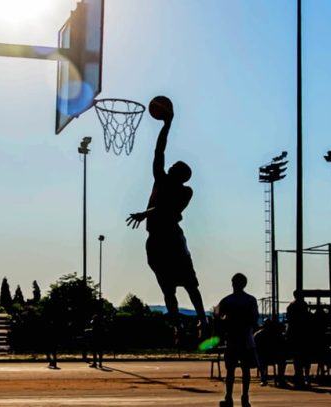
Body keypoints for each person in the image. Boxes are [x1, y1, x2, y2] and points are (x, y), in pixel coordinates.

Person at [126, 99, 208, 339]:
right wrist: (167, 125)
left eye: (174, 168)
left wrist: (144, 213)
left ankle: (202, 320)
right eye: (170, 166)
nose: (169, 167)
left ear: (181, 176)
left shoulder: (185, 192)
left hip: (172, 238)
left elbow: (166, 210)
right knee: (167, 288)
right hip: (155, 239)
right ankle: (177, 325)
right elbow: (159, 150)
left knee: (190, 285)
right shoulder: (161, 179)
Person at [215, 273, 259, 407]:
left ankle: (228, 397)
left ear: (233, 283)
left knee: (230, 371)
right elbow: (254, 319)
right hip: (246, 339)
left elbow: (217, 316)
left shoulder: (227, 300)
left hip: (232, 340)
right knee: (246, 371)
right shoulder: (251, 300)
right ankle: (245, 397)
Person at [286, 289, 311, 388]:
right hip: (302, 334)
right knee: (305, 357)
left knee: (297, 358)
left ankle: (298, 376)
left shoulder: (291, 306)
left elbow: (289, 319)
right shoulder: (303, 305)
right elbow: (306, 319)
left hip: (293, 334)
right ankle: (305, 376)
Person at [254, 318, 287, 387]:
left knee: (260, 359)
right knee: (282, 360)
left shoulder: (258, 334)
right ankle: (280, 378)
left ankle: (263, 378)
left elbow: (255, 346)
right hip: (274, 356)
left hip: (264, 357)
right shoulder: (277, 334)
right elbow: (282, 345)